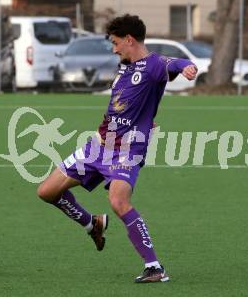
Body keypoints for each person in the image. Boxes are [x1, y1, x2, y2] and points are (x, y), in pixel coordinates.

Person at [36, 14, 197, 283]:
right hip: (98, 146)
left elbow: (175, 63)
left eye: (115, 42)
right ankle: (92, 224)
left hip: (127, 151)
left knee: (119, 202)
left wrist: (188, 67)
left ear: (129, 39)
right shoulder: (124, 64)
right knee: (47, 192)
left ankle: (154, 267)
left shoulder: (154, 65)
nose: (114, 48)